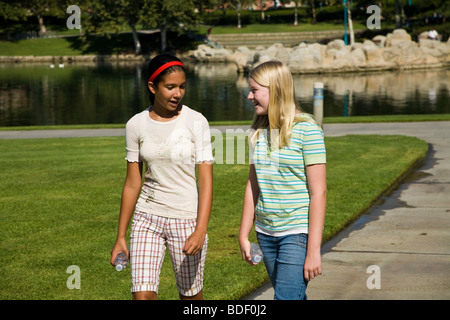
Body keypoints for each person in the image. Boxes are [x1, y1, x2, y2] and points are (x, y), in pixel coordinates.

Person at [110, 54, 214, 300]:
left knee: (190, 297)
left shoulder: (196, 121)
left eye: (182, 86)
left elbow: (206, 181)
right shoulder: (136, 125)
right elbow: (133, 183)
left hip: (186, 220)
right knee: (142, 296)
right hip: (147, 218)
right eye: (170, 87)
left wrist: (200, 230)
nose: (177, 94)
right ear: (152, 87)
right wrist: (121, 237)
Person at [238, 60, 327, 300]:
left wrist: (313, 251)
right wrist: (244, 234)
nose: (249, 96)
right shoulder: (258, 132)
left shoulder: (307, 130)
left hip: (296, 233)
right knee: (291, 295)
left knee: (286, 297)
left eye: (255, 90)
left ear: (275, 90)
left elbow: (319, 193)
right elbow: (252, 184)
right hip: (265, 233)